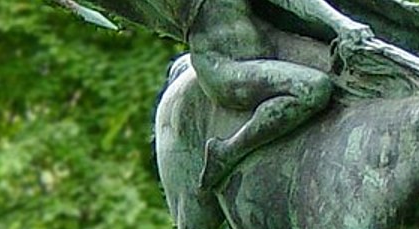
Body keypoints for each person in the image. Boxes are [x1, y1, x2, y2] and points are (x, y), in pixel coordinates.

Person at [53, 0, 374, 189]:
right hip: (224, 64)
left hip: (272, 44)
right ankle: (228, 152)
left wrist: (342, 24)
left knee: (355, 69)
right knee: (314, 89)